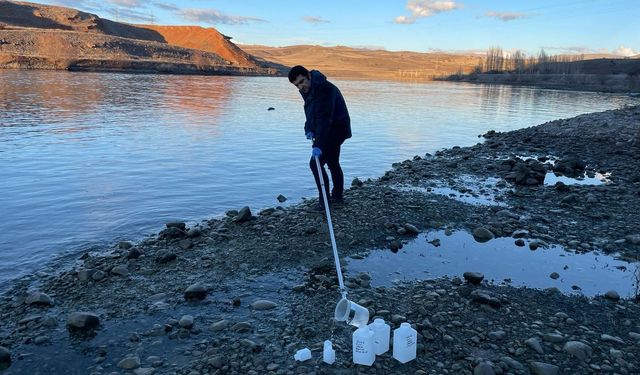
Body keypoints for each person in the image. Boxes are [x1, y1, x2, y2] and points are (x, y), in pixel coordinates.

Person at [288, 65, 352, 211]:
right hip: (329, 129)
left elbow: (324, 119)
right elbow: (312, 113)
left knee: (315, 164)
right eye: (296, 85)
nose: (300, 87)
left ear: (309, 76)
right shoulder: (309, 89)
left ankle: (325, 202)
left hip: (336, 129)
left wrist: (318, 145)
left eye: (302, 81)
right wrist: (309, 128)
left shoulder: (325, 89)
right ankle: (337, 197)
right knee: (333, 162)